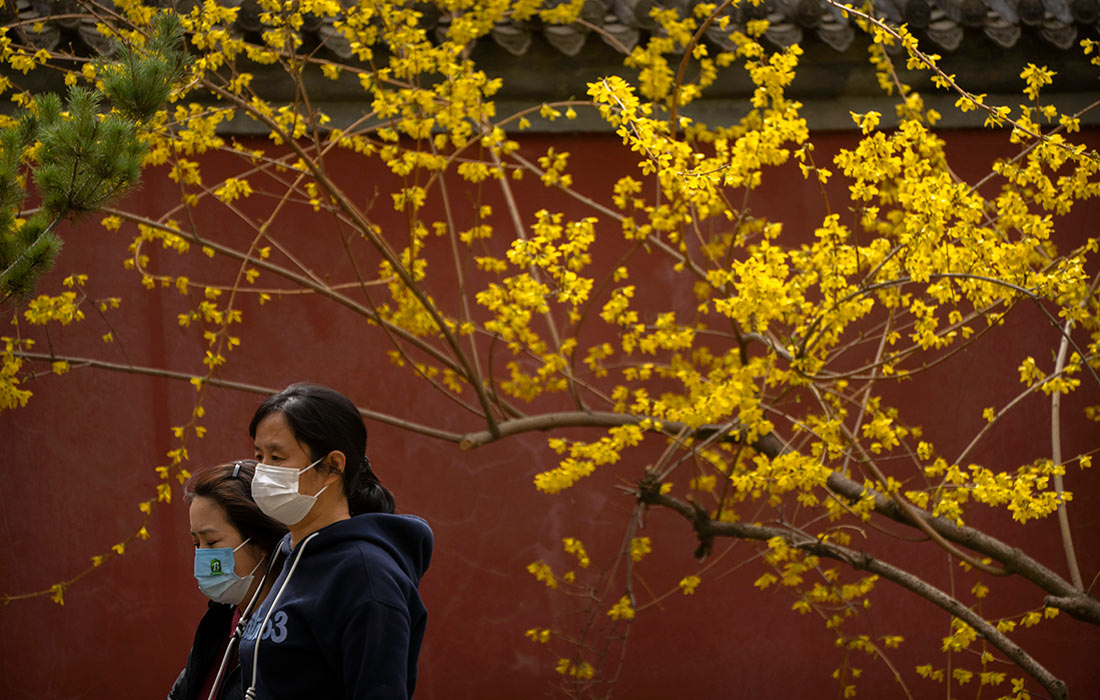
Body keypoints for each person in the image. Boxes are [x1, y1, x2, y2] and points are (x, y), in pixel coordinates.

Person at [239, 382, 432, 700]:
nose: (262, 472)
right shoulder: (289, 556)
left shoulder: (368, 576)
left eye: (277, 457)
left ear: (332, 467)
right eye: (259, 456)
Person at [170, 460, 288, 700]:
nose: (202, 554)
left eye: (212, 542)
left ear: (260, 541)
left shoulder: (288, 633)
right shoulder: (219, 622)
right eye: (196, 543)